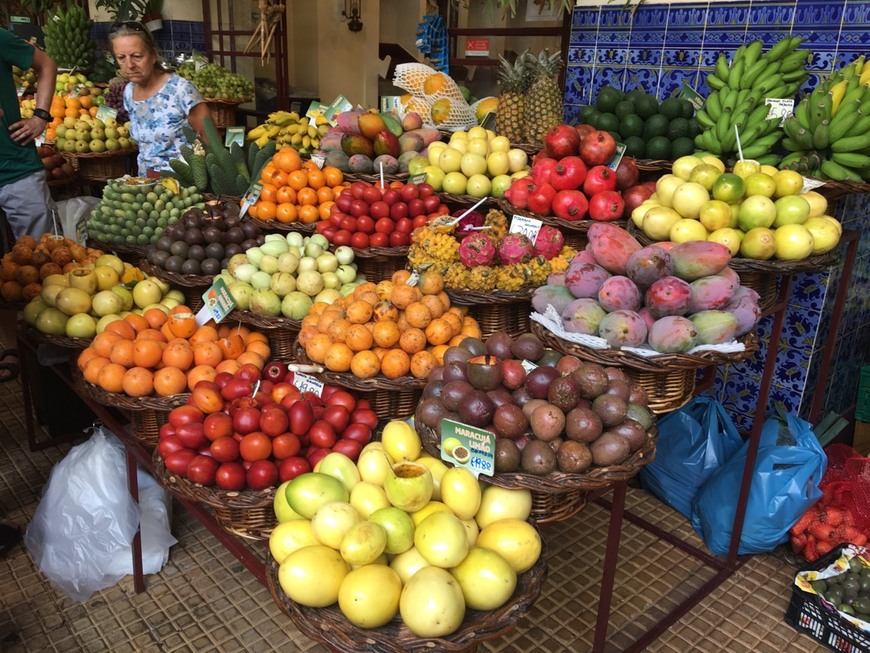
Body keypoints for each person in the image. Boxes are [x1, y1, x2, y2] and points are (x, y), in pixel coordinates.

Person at [0, 29, 59, 390]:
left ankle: (55, 351)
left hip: (16, 169)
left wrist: (40, 115)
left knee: (48, 263)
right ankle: (11, 348)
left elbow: (46, 62)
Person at [108, 21, 211, 177]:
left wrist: (201, 179)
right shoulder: (129, 92)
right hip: (147, 185)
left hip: (184, 185)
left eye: (137, 56)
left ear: (153, 55)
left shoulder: (180, 90)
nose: (129, 65)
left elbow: (209, 138)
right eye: (121, 58)